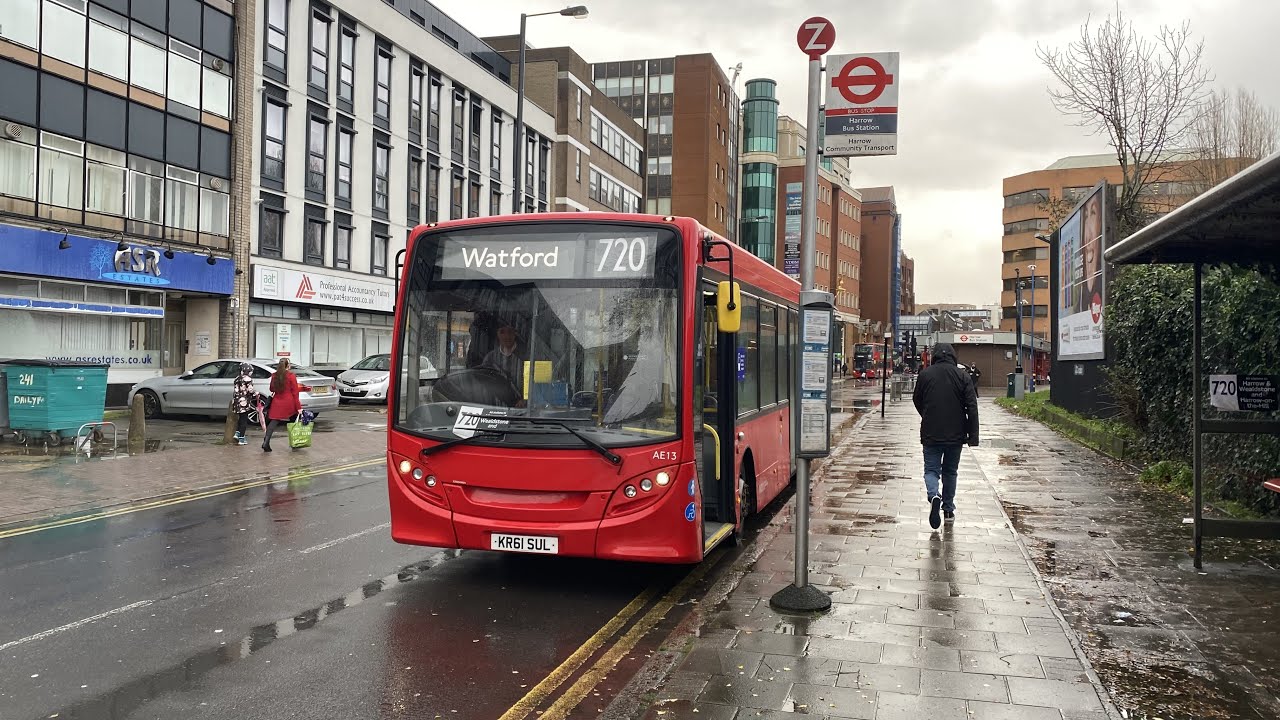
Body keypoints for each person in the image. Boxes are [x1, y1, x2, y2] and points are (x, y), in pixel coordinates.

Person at [912, 343, 979, 529]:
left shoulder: (925, 375)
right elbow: (972, 406)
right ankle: (948, 509)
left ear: (934, 356)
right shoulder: (963, 376)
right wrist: (973, 435)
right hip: (956, 434)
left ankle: (934, 495)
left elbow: (917, 399)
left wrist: (926, 414)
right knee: (950, 471)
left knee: (931, 470)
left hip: (931, 432)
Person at [262, 358, 303, 452]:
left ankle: (266, 442)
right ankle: (295, 442)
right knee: (294, 421)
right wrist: (299, 407)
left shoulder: (274, 375)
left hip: (277, 402)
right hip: (289, 402)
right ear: (288, 366)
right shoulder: (291, 376)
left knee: (273, 422)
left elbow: (272, 389)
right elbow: (295, 393)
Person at [481, 322, 524, 392]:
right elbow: (484, 383)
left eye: (510, 331)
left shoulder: (526, 357)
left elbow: (534, 383)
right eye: (502, 332)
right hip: (494, 402)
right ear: (498, 334)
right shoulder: (490, 358)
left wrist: (524, 399)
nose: (507, 336)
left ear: (515, 334)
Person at [232, 362, 257, 446]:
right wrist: (256, 393)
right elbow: (250, 390)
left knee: (240, 418)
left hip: (236, 401)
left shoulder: (237, 378)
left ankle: (237, 433)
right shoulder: (248, 379)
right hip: (244, 402)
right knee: (244, 420)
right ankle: (241, 439)